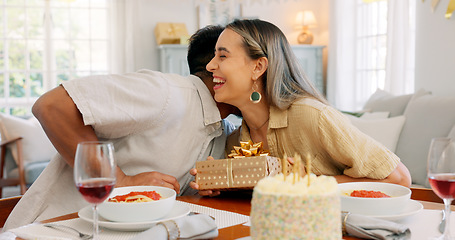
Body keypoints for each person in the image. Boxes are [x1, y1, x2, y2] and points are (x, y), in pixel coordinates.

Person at [3, 25, 240, 231]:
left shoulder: (223, 130)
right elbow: (52, 106)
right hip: (49, 230)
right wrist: (122, 181)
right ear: (215, 67)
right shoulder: (166, 93)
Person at [190, 19, 411, 196]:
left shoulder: (312, 117)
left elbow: (400, 179)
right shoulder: (235, 142)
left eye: (222, 55)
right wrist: (224, 185)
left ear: (258, 66)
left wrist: (311, 183)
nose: (210, 66)